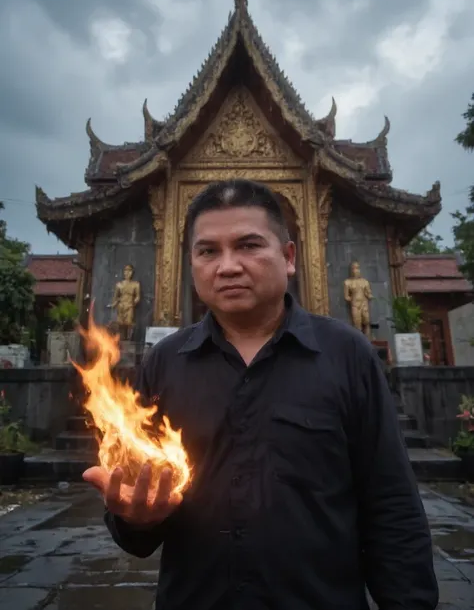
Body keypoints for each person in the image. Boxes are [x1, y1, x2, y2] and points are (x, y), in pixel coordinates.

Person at [83, 179, 439, 610]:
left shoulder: (347, 356)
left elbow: (392, 503)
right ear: (190, 264)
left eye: (249, 246)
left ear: (288, 257)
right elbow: (137, 530)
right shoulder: (165, 363)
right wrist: (134, 518)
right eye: (208, 251)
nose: (228, 266)